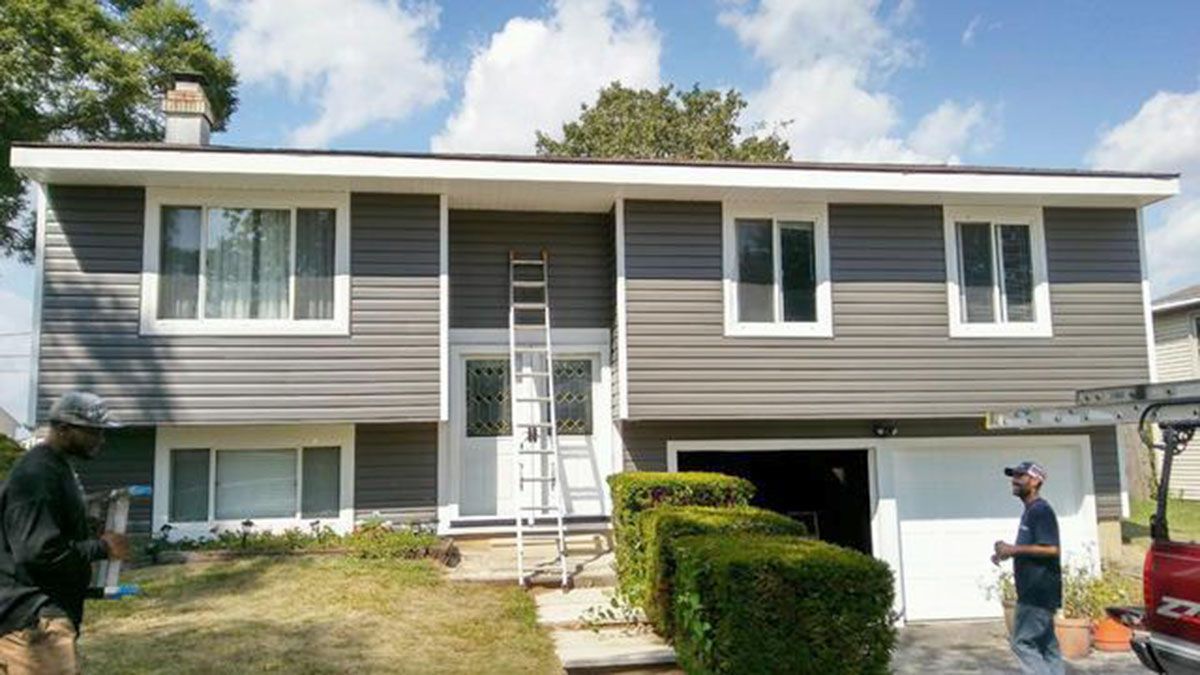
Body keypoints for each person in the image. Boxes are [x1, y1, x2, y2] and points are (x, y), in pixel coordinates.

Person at [0, 392, 129, 674]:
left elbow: (45, 532)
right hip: (32, 618)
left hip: (43, 615)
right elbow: (38, 552)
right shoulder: (37, 474)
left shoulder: (56, 469)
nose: (101, 440)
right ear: (63, 429)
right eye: (93, 432)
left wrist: (88, 530)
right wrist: (102, 548)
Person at [992, 461, 1064, 675]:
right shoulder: (1031, 511)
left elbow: (1052, 549)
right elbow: (1031, 548)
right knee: (1046, 646)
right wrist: (1004, 552)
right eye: (1013, 476)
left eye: (1020, 476)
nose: (1014, 481)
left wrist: (1012, 549)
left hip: (1038, 591)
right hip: (1039, 591)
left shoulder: (1040, 511)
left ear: (1035, 481)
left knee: (1022, 643)